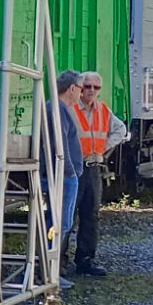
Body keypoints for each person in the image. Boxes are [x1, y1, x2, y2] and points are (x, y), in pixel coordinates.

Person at [71, 71, 116, 277]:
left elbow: (120, 129)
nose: (91, 90)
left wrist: (102, 148)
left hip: (93, 168)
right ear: (80, 88)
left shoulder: (103, 110)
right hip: (73, 167)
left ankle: (85, 261)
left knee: (91, 215)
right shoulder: (71, 108)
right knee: (67, 215)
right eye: (87, 86)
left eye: (95, 87)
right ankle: (57, 262)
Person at [51, 70, 83, 279]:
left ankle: (50, 272)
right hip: (64, 177)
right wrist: (70, 171)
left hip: (66, 175)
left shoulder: (60, 109)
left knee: (62, 224)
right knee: (59, 224)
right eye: (80, 89)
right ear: (72, 88)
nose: (81, 93)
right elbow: (60, 144)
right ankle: (48, 273)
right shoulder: (58, 110)